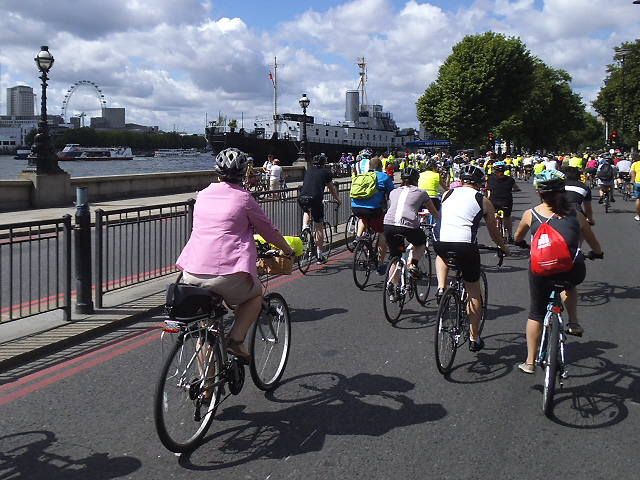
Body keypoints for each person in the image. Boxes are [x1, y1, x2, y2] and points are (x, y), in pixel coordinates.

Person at [175, 148, 296, 365]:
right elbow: (269, 232)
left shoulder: (202, 195)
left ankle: (207, 390)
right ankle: (236, 340)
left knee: (207, 331)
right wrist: (288, 250)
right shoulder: (244, 198)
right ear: (244, 175)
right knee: (254, 295)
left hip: (191, 273)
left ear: (217, 173)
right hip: (224, 274)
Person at [513, 170, 603, 374]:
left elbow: (518, 237)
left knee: (536, 312)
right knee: (569, 285)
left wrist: (519, 243)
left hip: (541, 270)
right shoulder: (577, 214)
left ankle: (530, 361)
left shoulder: (531, 214)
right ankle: (573, 322)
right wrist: (598, 253)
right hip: (571, 269)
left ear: (539, 193)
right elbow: (592, 240)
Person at [433, 164, 511, 353]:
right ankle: (474, 337)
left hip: (441, 241)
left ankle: (441, 287)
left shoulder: (447, 195)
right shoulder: (483, 200)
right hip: (465, 245)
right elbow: (493, 232)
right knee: (473, 291)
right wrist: (504, 247)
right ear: (480, 183)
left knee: (441, 255)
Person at [383, 167, 439, 298]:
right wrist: (440, 223)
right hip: (407, 225)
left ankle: (392, 285)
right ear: (416, 180)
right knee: (421, 243)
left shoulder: (394, 192)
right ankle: (413, 264)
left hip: (388, 224)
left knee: (395, 256)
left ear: (402, 180)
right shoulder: (421, 192)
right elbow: (433, 211)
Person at [351, 156, 395, 274]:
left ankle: (358, 237)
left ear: (369, 167)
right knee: (382, 232)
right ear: (381, 167)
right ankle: (380, 264)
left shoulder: (361, 176)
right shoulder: (384, 176)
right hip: (374, 210)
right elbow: (393, 194)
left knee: (363, 218)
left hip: (356, 208)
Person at [298, 153, 342, 264]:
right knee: (319, 227)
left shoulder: (308, 171)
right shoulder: (325, 173)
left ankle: (305, 229)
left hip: (302, 198)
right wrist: (338, 200)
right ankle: (319, 255)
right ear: (324, 163)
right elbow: (332, 189)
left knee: (307, 211)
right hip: (315, 199)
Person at [486, 161, 521, 243]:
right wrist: (516, 190)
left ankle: (496, 232)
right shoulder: (510, 180)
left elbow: (487, 188)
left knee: (494, 216)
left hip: (494, 202)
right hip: (506, 202)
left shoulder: (490, 179)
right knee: (507, 217)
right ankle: (510, 235)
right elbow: (516, 188)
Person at [631, 155, 640, 221]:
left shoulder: (635, 164)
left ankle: (638, 215)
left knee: (638, 199)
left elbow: (633, 174)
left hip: (638, 182)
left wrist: (633, 182)